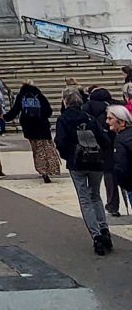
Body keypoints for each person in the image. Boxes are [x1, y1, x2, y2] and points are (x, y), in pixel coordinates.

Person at [55, 86, 112, 254]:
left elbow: (61, 141)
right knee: (96, 196)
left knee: (84, 198)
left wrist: (69, 156)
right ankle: (104, 229)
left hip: (77, 162)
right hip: (96, 162)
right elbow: (104, 139)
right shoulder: (89, 117)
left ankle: (97, 236)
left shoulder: (63, 119)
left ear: (65, 102)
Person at [3, 82, 60, 181]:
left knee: (37, 149)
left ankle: (42, 170)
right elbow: (49, 111)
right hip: (42, 126)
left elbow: (15, 111)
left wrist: (4, 117)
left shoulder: (21, 96)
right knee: (47, 147)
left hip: (29, 127)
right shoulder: (39, 95)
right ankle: (51, 168)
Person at [86, 86, 120, 216]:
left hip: (105, 148)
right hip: (120, 143)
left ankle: (112, 205)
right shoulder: (117, 108)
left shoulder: (91, 110)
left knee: (109, 176)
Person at [107, 104, 132, 210]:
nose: (107, 121)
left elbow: (121, 165)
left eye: (110, 118)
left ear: (122, 122)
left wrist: (123, 183)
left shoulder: (120, 140)